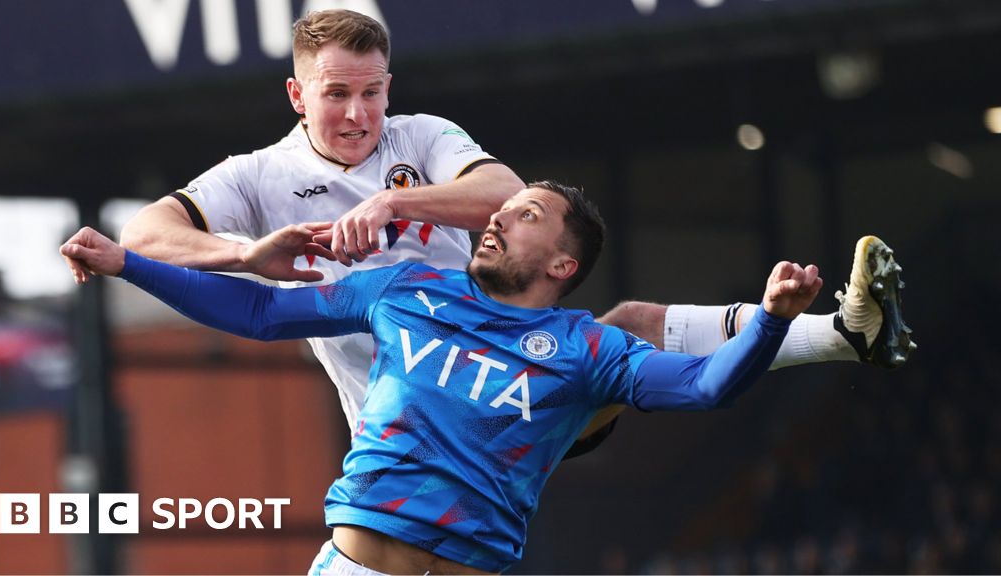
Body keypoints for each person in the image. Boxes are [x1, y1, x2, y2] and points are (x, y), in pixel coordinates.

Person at [63, 9, 914, 451]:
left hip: (504, 378)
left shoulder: (422, 138)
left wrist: (396, 204)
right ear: (298, 96)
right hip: (407, 423)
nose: (359, 113)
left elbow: (506, 191)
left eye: (372, 91)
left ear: (390, 85)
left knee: (627, 331)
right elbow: (154, 232)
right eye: (336, 95)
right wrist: (243, 252)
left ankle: (842, 334)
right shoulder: (256, 178)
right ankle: (836, 336)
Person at [62, 181, 823, 574]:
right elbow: (263, 313)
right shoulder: (404, 290)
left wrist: (775, 318)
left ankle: (842, 334)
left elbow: (704, 387)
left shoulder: (589, 349)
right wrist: (132, 264)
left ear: (563, 264)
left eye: (525, 215)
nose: (495, 220)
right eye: (503, 211)